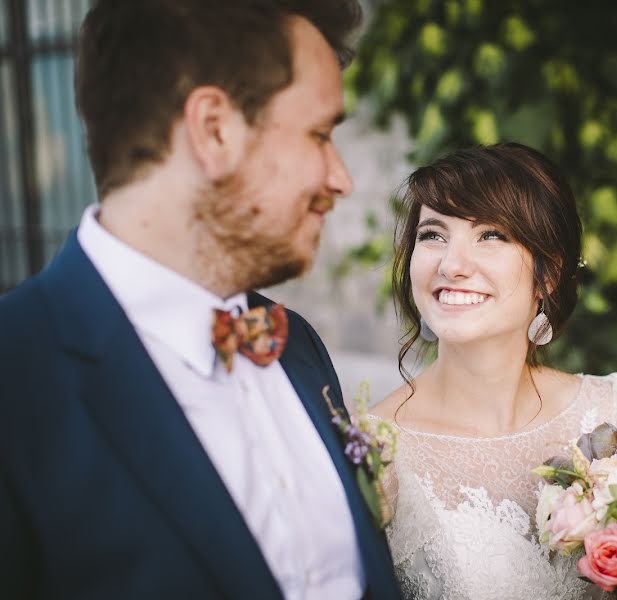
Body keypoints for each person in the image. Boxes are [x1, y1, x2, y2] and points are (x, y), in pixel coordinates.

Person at [0, 1, 401, 598]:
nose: (340, 178)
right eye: (320, 135)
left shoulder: (297, 347)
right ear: (214, 129)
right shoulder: (16, 378)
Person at [371, 143, 617, 599]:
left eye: (491, 235)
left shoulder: (610, 411)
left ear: (549, 275)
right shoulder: (377, 450)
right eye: (433, 235)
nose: (452, 265)